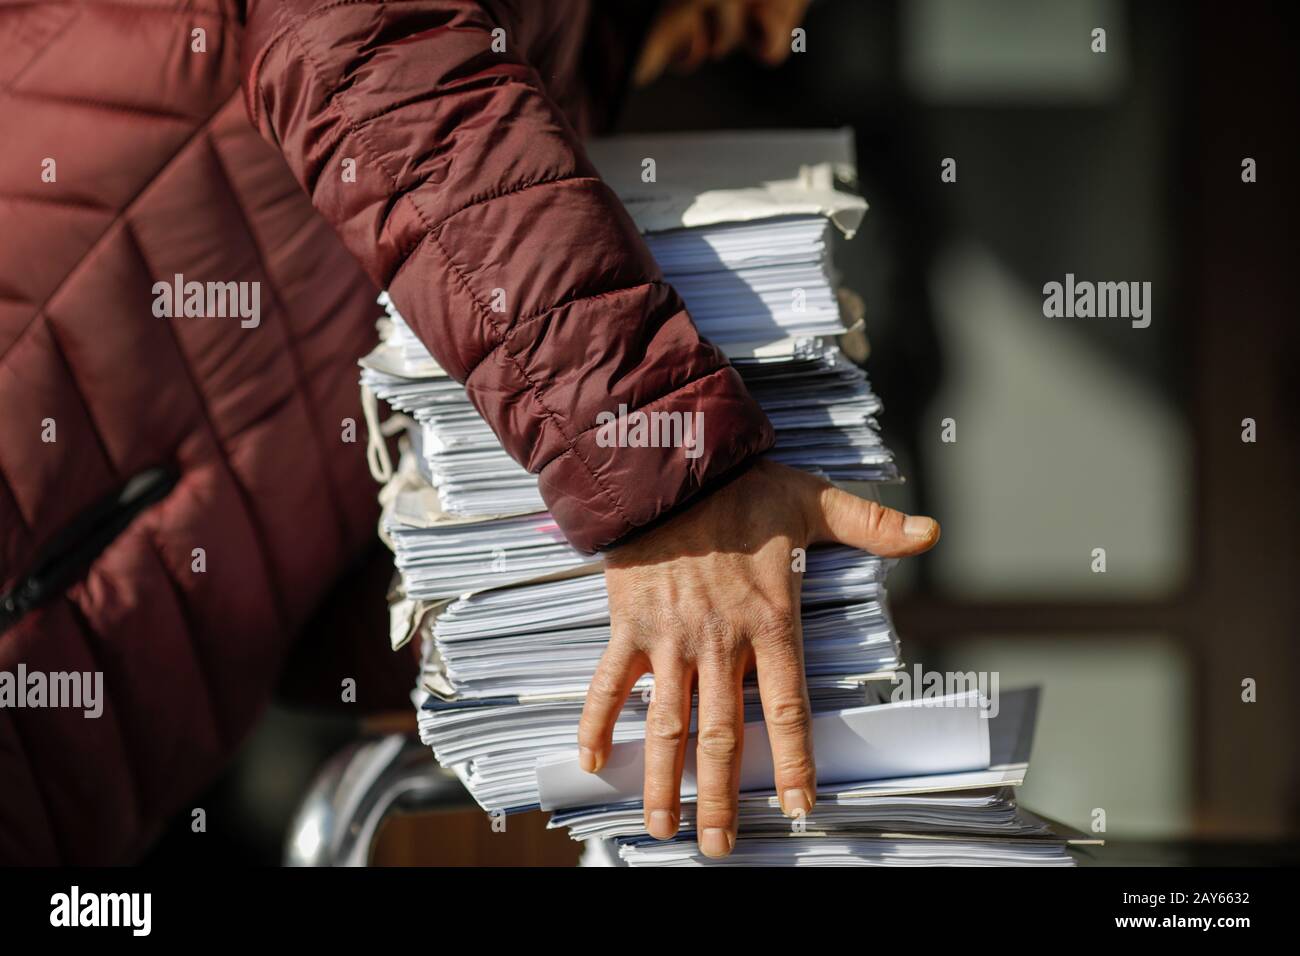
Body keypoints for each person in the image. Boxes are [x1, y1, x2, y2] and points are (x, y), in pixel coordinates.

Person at [0, 0, 935, 864]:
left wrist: (493, 642)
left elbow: (310, 588)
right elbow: (365, 34)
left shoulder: (553, 109)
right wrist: (675, 480)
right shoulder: (502, 101)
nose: (775, 38)